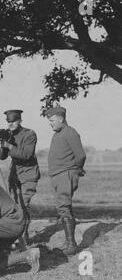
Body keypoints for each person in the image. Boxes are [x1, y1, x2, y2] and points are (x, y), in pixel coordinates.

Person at [46, 106, 86, 256]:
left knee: (64, 207)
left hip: (65, 174)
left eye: (52, 120)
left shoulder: (70, 132)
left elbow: (81, 155)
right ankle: (68, 242)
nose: (50, 123)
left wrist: (76, 170)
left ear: (61, 118)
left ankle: (72, 245)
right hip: (58, 175)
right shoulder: (58, 134)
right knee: (63, 208)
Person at [0, 109, 40, 244]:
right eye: (8, 122)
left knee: (24, 205)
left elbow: (26, 154)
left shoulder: (30, 134)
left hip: (28, 174)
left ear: (20, 121)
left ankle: (23, 236)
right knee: (14, 206)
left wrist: (9, 145)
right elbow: (1, 157)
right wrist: (3, 145)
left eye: (13, 122)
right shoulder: (8, 134)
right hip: (15, 175)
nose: (10, 124)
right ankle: (16, 235)